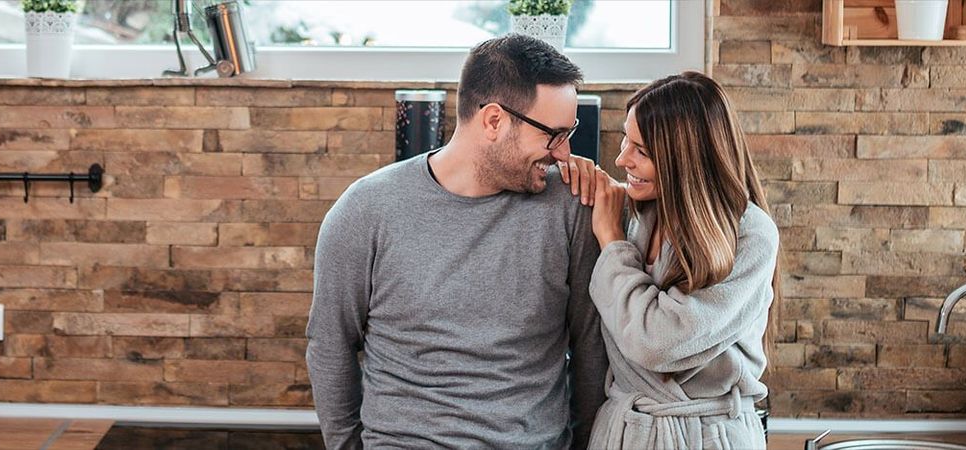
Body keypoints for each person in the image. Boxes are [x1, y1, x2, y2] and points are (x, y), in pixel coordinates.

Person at [306, 34, 607, 449]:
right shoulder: (366, 210)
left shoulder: (569, 206)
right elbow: (330, 343)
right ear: (494, 121)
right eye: (553, 135)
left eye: (567, 133)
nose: (564, 152)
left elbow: (591, 346)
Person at [580, 71, 781, 449]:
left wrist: (612, 244)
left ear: (685, 159)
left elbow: (658, 342)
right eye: (626, 138)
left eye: (641, 150)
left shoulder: (750, 236)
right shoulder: (637, 213)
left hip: (708, 437)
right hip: (624, 432)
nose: (622, 158)